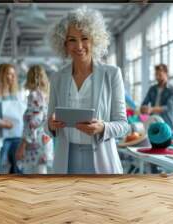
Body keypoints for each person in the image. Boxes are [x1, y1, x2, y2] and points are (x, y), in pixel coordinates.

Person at [46, 7, 130, 174]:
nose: (79, 46)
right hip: (66, 159)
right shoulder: (57, 78)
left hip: (102, 158)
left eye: (84, 38)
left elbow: (123, 125)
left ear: (94, 40)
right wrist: (50, 125)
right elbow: (48, 122)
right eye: (71, 40)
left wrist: (103, 127)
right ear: (63, 43)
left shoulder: (112, 74)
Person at [15, 65, 53, 174]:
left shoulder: (34, 95)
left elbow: (33, 122)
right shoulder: (46, 96)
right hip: (45, 140)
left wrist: (23, 145)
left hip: (34, 143)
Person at [0, 64, 27, 174]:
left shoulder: (18, 94)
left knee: (17, 167)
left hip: (17, 135)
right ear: (2, 75)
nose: (12, 77)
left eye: (13, 74)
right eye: (9, 74)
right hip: (1, 136)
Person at [140, 64, 173, 128]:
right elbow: (144, 103)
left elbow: (168, 107)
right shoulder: (152, 89)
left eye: (160, 75)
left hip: (166, 123)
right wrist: (143, 108)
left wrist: (152, 109)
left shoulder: (172, 90)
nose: (157, 77)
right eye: (156, 75)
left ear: (166, 74)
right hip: (153, 121)